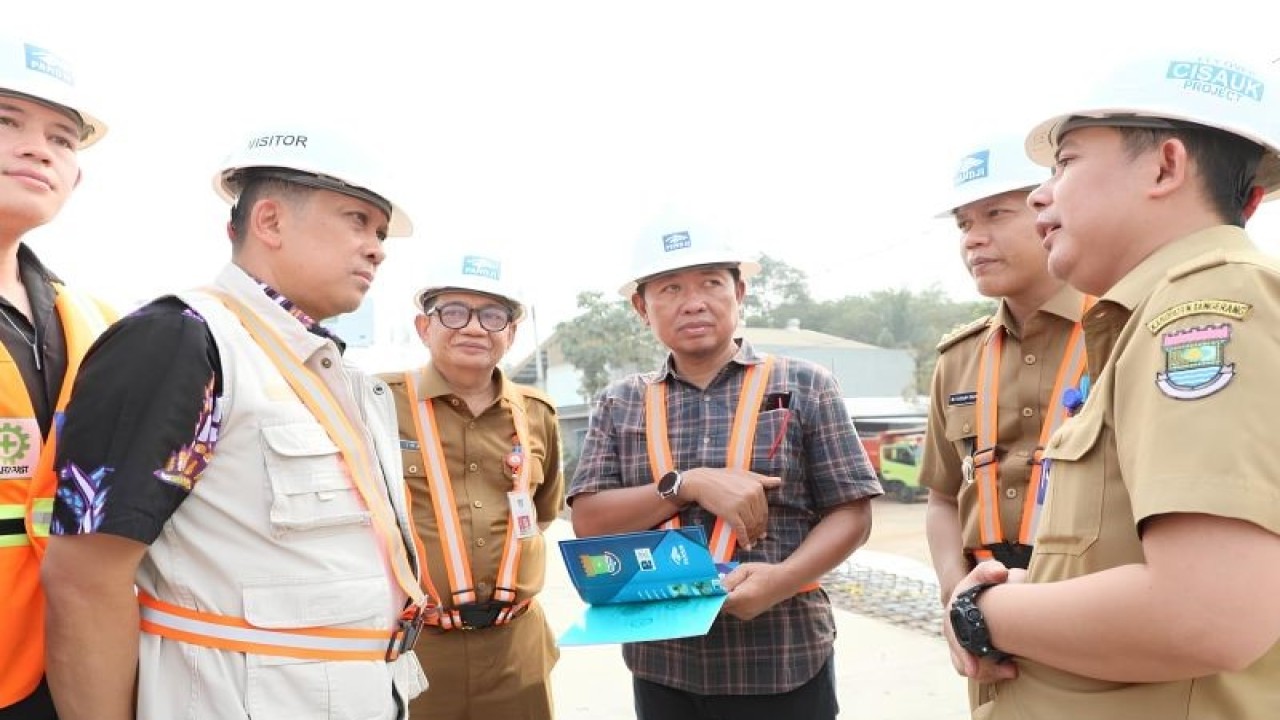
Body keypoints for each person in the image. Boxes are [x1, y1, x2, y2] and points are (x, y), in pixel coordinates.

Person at [40, 125, 431, 720]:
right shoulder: (182, 343)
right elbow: (84, 581)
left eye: (379, 232)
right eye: (357, 220)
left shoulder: (333, 373)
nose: (377, 247)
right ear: (270, 222)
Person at [943, 49, 1280, 719]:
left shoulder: (1209, 309)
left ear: (1166, 167)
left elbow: (1210, 613)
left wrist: (983, 611)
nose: (1042, 193)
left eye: (1064, 164)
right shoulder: (1146, 318)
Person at [568, 219, 881, 720]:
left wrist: (780, 581)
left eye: (711, 283)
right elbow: (590, 522)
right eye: (670, 288)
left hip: (783, 657)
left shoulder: (806, 385)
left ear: (739, 292)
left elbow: (852, 513)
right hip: (662, 663)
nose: (693, 302)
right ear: (641, 307)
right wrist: (685, 484)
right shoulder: (620, 402)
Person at [919, 135, 1092, 707]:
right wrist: (953, 595)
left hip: (1094, 613)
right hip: (989, 629)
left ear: (1051, 206)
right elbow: (943, 496)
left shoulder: (1120, 331)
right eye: (964, 222)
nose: (973, 237)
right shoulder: (958, 358)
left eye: (996, 214)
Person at [380, 249, 564, 720]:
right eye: (455, 311)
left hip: (516, 649)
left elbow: (541, 515)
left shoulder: (537, 415)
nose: (475, 327)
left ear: (512, 332)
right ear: (425, 327)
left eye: (493, 315)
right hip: (416, 648)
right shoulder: (379, 404)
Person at [0, 33, 115, 720]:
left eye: (64, 139)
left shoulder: (95, 322)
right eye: (5, 124)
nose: (41, 149)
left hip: (65, 669)